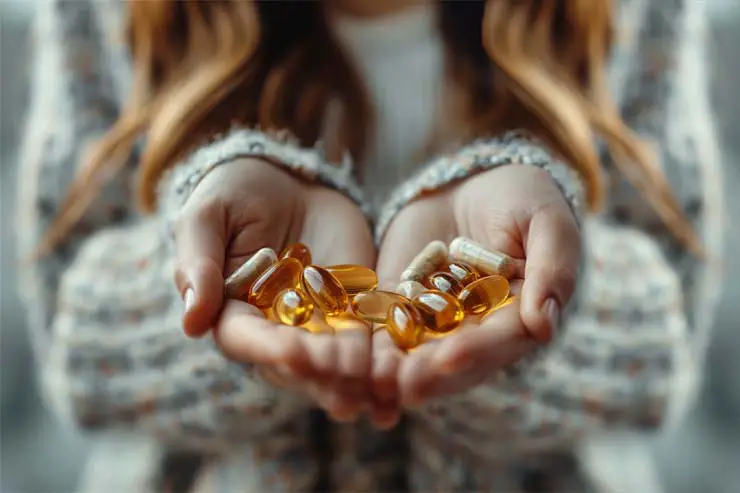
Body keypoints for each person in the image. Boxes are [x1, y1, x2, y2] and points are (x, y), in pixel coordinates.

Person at [17, 0, 723, 491]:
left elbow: (668, 334)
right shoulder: (105, 11)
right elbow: (71, 336)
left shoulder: (636, 12)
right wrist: (202, 278)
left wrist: (546, 290)